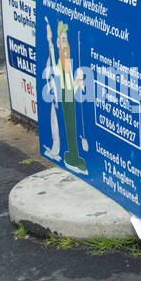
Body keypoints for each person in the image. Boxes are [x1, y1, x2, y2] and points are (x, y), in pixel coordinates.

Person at [45, 19, 87, 174]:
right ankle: (72, 156)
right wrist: (49, 40)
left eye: (66, 40)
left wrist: (79, 81)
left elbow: (72, 85)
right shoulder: (59, 64)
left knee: (73, 126)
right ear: (58, 43)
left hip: (70, 93)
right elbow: (54, 63)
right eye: (62, 40)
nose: (65, 44)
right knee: (70, 127)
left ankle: (74, 155)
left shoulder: (68, 61)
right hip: (65, 95)